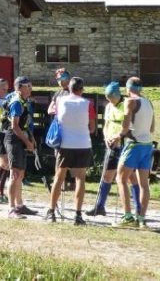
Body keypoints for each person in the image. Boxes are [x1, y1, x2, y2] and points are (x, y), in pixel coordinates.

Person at [45, 76, 95, 225]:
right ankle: (78, 215)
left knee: (59, 178)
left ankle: (52, 211)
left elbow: (53, 113)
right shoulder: (88, 104)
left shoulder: (60, 101)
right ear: (82, 89)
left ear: (69, 88)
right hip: (82, 144)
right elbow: (92, 128)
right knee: (80, 179)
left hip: (65, 144)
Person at [87, 81, 136, 216]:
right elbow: (106, 124)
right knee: (107, 175)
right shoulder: (108, 106)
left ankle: (138, 208)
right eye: (107, 97)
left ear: (117, 94)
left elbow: (128, 125)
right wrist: (106, 138)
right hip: (111, 144)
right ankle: (100, 206)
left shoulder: (126, 105)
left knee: (131, 177)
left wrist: (117, 137)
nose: (109, 100)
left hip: (124, 144)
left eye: (111, 97)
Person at [117, 76, 156, 228]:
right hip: (147, 145)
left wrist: (118, 136)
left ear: (128, 88)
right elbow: (152, 128)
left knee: (121, 179)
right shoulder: (149, 103)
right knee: (143, 184)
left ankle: (127, 216)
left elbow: (125, 126)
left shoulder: (130, 101)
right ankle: (141, 218)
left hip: (134, 145)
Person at [4, 76, 38, 218]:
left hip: (20, 138)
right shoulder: (17, 103)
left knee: (21, 174)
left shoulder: (24, 101)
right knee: (15, 174)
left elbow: (24, 124)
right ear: (19, 88)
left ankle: (20, 205)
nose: (30, 88)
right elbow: (15, 126)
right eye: (28, 86)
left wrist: (32, 139)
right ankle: (11, 209)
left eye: (31, 85)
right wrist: (27, 142)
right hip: (13, 138)